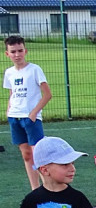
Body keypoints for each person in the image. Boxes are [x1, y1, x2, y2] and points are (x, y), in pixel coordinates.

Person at [5, 34, 53, 190]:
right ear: (7, 54)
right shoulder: (9, 73)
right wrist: (9, 111)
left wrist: (34, 113)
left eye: (20, 50)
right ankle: (35, 188)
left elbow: (47, 94)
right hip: (15, 117)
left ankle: (48, 186)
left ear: (26, 51)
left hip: (31, 118)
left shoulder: (34, 70)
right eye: (13, 52)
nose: (17, 55)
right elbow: (12, 93)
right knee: (26, 154)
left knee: (38, 154)